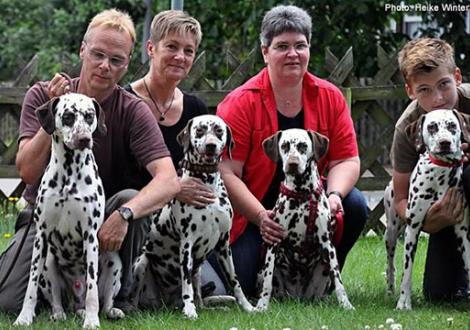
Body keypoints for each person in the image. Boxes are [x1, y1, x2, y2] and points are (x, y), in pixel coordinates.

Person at [0, 9, 180, 313]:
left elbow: (168, 179)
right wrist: (52, 114)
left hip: (100, 215)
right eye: (97, 54)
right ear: (82, 49)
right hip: (45, 218)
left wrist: (124, 213)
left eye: (116, 60)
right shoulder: (42, 95)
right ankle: (55, 296)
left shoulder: (132, 110)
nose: (104, 66)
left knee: (132, 199)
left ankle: (118, 298)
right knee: (6, 302)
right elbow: (28, 173)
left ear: (127, 63)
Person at [214, 5, 368, 297]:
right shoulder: (241, 102)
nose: (292, 54)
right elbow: (227, 171)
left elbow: (346, 158)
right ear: (265, 52)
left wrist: (333, 196)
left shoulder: (330, 96)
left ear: (310, 49)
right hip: (253, 211)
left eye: (300, 45)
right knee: (246, 287)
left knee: (355, 204)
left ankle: (323, 281)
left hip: (310, 205)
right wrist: (261, 217)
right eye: (282, 46)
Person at [124, 10, 225, 298]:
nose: (180, 56)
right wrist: (172, 189)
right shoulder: (126, 101)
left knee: (214, 291)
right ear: (151, 48)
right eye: (171, 47)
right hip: (137, 221)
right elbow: (118, 178)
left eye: (188, 50)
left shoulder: (195, 109)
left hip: (183, 228)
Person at [391, 37, 470, 301]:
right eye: (424, 90)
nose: (437, 98)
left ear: (457, 76)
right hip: (445, 211)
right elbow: (401, 199)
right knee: (440, 294)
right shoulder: (407, 129)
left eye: (444, 85)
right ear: (410, 91)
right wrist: (428, 222)